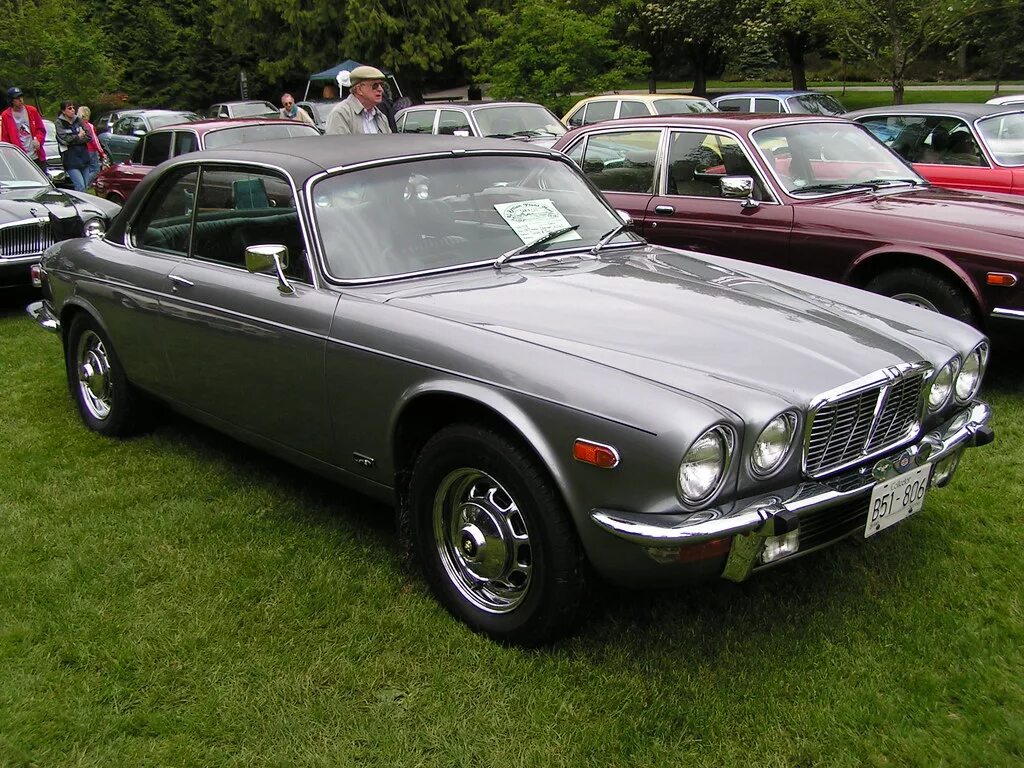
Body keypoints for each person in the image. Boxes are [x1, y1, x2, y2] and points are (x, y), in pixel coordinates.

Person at [325, 66, 392, 135]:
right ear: (359, 89)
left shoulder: (381, 117)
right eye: (375, 86)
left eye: (381, 84)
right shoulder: (341, 114)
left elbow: (390, 144)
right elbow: (338, 145)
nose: (381, 89)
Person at [1, 86, 47, 171]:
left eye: (21, 97)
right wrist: (10, 155)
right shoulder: (5, 115)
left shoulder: (32, 110)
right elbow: (5, 138)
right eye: (17, 98)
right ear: (11, 100)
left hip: (36, 155)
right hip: (20, 158)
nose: (20, 100)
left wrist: (39, 140)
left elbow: (41, 129)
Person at [54, 100, 91, 192]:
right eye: (69, 108)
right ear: (63, 111)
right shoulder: (59, 123)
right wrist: (78, 136)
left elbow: (89, 136)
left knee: (86, 187)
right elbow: (64, 139)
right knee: (80, 187)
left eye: (73, 108)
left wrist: (74, 140)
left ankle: (84, 205)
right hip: (70, 160)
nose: (73, 110)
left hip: (83, 157)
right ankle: (80, 205)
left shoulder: (78, 120)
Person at [77, 105, 107, 189]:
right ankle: (84, 185)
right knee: (95, 170)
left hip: (81, 151)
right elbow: (94, 140)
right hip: (91, 150)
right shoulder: (89, 126)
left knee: (86, 169)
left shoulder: (77, 125)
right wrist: (102, 152)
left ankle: (83, 185)